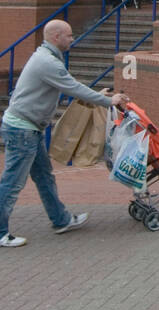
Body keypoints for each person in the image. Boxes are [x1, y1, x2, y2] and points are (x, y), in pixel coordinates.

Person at [0, 20, 129, 248]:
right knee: (13, 183)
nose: (73, 39)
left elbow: (70, 87)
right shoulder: (47, 62)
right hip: (22, 130)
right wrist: (110, 100)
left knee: (44, 176)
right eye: (69, 35)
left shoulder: (48, 57)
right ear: (56, 37)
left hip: (29, 128)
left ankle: (61, 220)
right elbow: (73, 87)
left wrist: (93, 95)